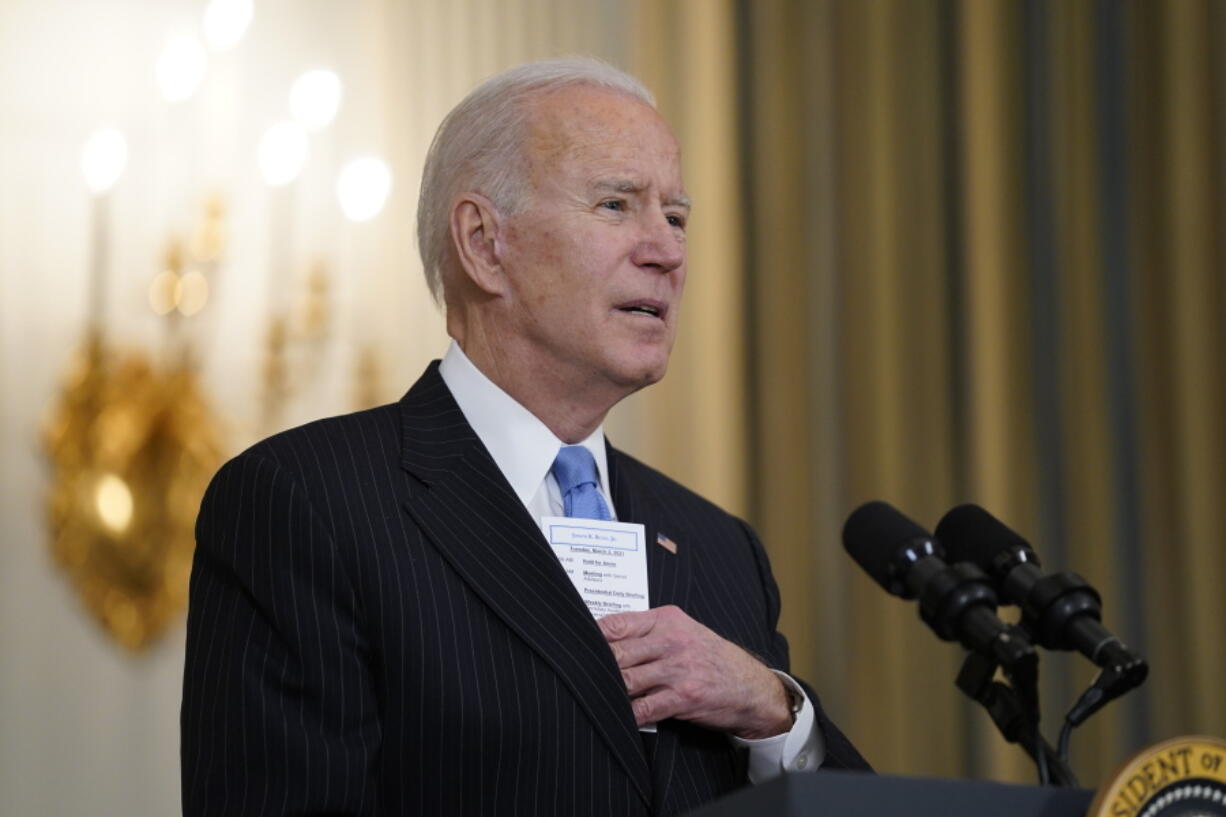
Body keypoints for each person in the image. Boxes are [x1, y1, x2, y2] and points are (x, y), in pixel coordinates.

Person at [181, 57, 868, 817]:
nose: (667, 251)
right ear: (483, 242)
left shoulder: (718, 548)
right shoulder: (309, 503)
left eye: (675, 216)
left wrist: (776, 709)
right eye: (616, 204)